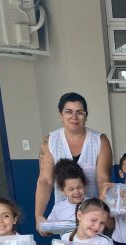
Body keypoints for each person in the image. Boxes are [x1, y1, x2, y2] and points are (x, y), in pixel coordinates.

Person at [35, 92, 113, 235]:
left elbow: (103, 180)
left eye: (80, 112)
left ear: (86, 116)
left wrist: (103, 213)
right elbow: (45, 180)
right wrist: (39, 216)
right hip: (65, 219)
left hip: (93, 218)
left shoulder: (99, 140)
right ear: (60, 115)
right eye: (68, 112)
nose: (74, 117)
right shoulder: (50, 141)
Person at [43, 159, 88, 236]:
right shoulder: (59, 207)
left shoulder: (93, 204)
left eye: (80, 187)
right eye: (71, 189)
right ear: (62, 190)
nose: (76, 192)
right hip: (67, 243)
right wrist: (45, 228)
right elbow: (47, 230)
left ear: (85, 186)